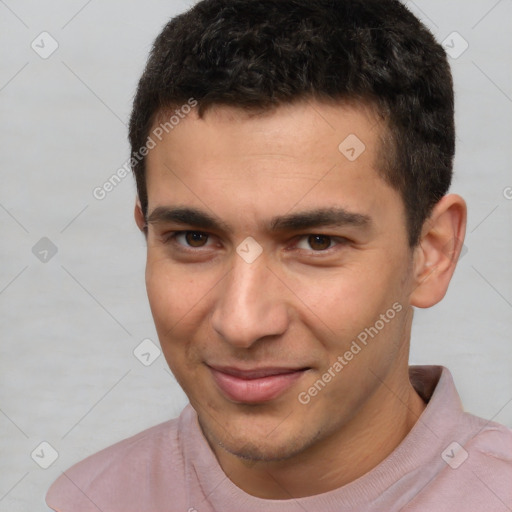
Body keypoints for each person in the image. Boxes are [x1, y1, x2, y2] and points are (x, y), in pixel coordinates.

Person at [46, 0, 512, 510]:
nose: (242, 323)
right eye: (193, 238)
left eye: (317, 242)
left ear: (432, 252)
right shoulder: (86, 500)